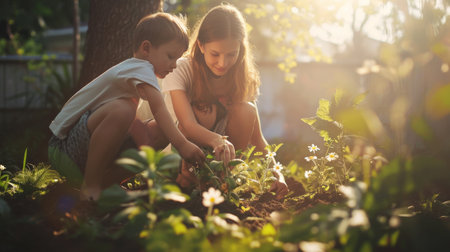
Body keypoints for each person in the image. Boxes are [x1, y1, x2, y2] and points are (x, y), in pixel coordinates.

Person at [48, 12, 205, 201]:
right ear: (146, 48)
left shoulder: (138, 72)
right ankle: (90, 189)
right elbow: (159, 108)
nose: (174, 65)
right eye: (170, 56)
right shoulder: (140, 68)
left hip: (84, 152)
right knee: (124, 110)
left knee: (156, 129)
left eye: (177, 59)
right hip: (64, 148)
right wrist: (182, 144)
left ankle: (101, 187)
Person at [159, 4, 288, 198]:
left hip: (217, 154)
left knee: (247, 110)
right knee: (192, 122)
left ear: (240, 49)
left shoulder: (242, 78)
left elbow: (257, 138)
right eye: (215, 54)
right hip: (177, 148)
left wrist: (277, 173)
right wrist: (217, 140)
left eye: (231, 54)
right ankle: (187, 181)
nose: (223, 63)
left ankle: (221, 181)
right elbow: (186, 124)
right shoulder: (181, 68)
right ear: (201, 45)